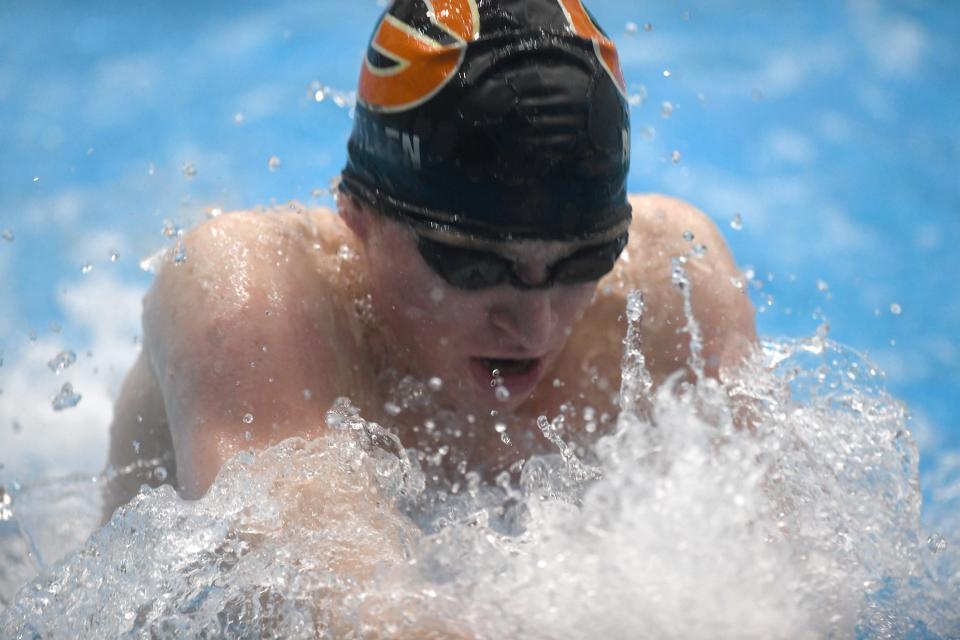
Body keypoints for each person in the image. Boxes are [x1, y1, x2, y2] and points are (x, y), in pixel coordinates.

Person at [102, 0, 755, 520]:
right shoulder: (247, 294)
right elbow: (334, 606)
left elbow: (792, 569)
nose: (536, 329)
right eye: (474, 268)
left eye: (584, 262)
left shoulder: (672, 281)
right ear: (358, 213)